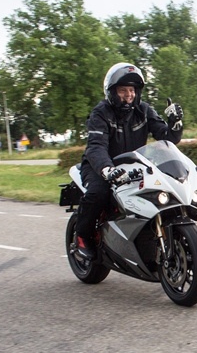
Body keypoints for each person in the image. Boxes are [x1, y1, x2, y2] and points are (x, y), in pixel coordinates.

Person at [73, 62, 184, 260]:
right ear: (112, 92)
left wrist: (175, 124)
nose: (129, 95)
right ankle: (81, 237)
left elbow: (167, 138)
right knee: (98, 193)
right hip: (100, 166)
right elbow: (96, 146)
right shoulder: (100, 113)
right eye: (123, 90)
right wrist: (107, 169)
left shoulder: (144, 110)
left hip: (134, 164)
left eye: (132, 90)